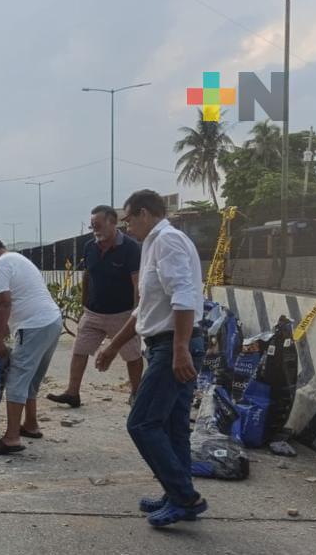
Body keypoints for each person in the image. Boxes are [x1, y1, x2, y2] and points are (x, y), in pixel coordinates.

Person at [95, 189, 207, 527]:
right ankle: (176, 493)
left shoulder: (167, 241)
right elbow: (145, 309)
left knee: (142, 423)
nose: (127, 227)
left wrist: (180, 349)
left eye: (129, 220)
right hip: (167, 343)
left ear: (144, 213)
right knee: (173, 427)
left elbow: (184, 296)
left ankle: (185, 498)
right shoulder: (153, 244)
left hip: (173, 345)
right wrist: (113, 346)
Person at [48, 205, 142, 408]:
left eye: (97, 225)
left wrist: (135, 314)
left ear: (112, 222)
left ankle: (136, 393)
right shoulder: (90, 246)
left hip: (122, 314)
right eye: (92, 226)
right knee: (79, 350)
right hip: (93, 312)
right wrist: (84, 304)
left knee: (132, 355)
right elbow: (87, 275)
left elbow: (137, 283)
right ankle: (72, 393)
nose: (95, 230)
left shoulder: (131, 248)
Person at [0, 237, 62, 455]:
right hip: (51, 321)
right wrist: (6, 327)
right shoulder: (18, 259)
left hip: (33, 326)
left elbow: (3, 302)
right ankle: (31, 424)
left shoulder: (0, 265)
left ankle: (12, 437)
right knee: (31, 378)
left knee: (16, 379)